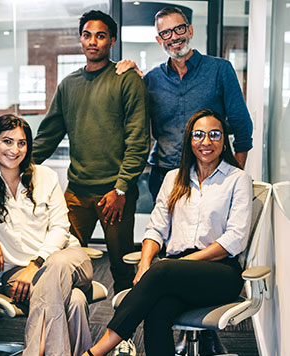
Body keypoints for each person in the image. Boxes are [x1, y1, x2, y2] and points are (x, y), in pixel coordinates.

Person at [81, 109, 253, 356]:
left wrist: (179, 264)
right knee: (157, 312)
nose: (206, 142)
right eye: (199, 135)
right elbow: (156, 228)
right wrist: (143, 265)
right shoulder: (174, 178)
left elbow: (234, 239)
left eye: (214, 134)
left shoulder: (237, 179)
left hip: (220, 273)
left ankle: (97, 351)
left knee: (163, 268)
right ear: (189, 140)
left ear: (224, 139)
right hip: (174, 273)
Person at [32, 10, 150, 294]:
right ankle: (73, 327)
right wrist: (16, 165)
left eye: (100, 36)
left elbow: (138, 140)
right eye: (87, 35)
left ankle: (124, 336)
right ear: (80, 39)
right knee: (62, 260)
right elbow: (47, 137)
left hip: (115, 194)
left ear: (111, 40)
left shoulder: (126, 80)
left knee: (121, 269)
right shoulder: (69, 85)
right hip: (76, 192)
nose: (92, 41)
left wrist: (121, 189)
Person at [0, 114, 93, 356]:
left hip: (67, 258)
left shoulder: (45, 176)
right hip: (16, 273)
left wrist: (36, 264)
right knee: (76, 301)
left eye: (21, 143)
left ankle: (36, 350)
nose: (15, 149)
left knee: (56, 265)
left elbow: (61, 228)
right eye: (7, 141)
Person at [116, 6, 253, 203]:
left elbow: (242, 126)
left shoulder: (220, 70)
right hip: (164, 175)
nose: (173, 37)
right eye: (165, 33)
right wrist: (130, 74)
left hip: (211, 174)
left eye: (179, 29)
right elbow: (133, 122)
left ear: (190, 30)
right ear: (159, 40)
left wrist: (237, 175)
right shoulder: (151, 79)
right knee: (165, 232)